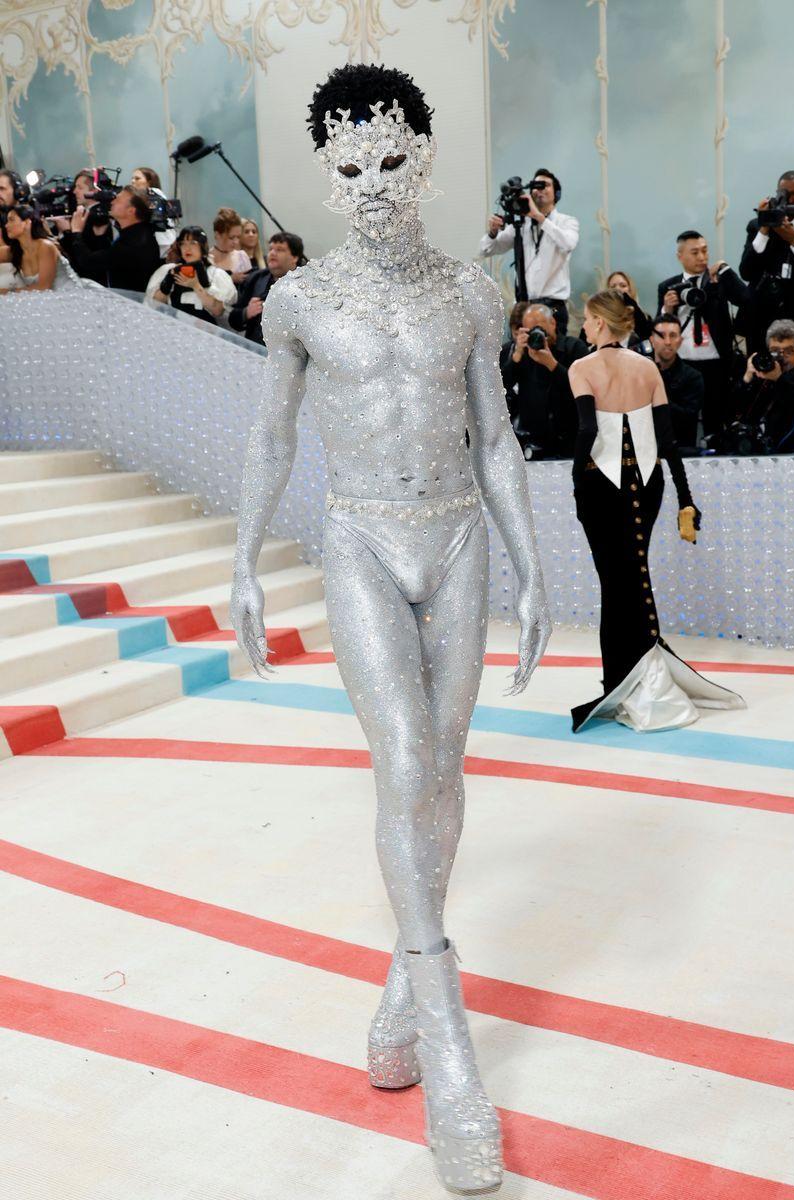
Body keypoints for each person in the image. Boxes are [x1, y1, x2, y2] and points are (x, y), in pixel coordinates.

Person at [230, 63, 551, 1196]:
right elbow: (272, 439)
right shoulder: (300, 300)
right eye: (349, 167)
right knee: (404, 761)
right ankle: (445, 1024)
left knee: (444, 771)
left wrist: (529, 563)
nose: (370, 182)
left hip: (457, 535)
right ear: (327, 173)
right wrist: (243, 563)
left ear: (423, 157)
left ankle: (398, 991)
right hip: (359, 538)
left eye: (390, 161)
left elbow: (497, 438)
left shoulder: (471, 293)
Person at [569, 289, 744, 733]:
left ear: (601, 324)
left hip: (601, 485)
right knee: (636, 573)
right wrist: (686, 498)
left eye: (588, 320)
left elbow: (588, 428)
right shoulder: (647, 367)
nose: (584, 327)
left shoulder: (582, 367)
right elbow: (668, 440)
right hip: (648, 483)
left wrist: (576, 484)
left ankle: (621, 682)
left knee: (615, 582)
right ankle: (636, 674)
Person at [656, 230, 749, 438]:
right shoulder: (668, 287)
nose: (702, 257)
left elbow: (746, 299)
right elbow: (657, 328)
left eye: (705, 251)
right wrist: (667, 310)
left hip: (717, 363)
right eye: (695, 252)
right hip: (683, 364)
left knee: (715, 422)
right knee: (682, 422)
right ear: (680, 256)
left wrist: (725, 272)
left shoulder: (718, 280)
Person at [477, 167, 578, 336]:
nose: (539, 190)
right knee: (520, 359)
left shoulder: (566, 222)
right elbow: (486, 249)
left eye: (544, 185)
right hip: (524, 305)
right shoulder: (522, 225)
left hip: (553, 306)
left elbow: (568, 243)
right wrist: (493, 232)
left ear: (556, 193)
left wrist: (539, 217)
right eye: (535, 187)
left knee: (552, 356)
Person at [501, 300, 589, 457]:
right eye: (531, 329)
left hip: (569, 441)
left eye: (539, 327)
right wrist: (516, 356)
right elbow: (502, 386)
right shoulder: (521, 353)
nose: (536, 333)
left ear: (553, 323)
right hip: (532, 442)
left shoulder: (574, 348)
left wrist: (553, 365)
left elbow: (583, 390)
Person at [739, 170, 794, 354]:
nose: (792, 199)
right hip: (761, 317)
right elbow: (746, 272)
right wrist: (764, 228)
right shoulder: (757, 226)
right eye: (786, 194)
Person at [64, 185, 161, 292]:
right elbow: (110, 260)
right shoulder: (138, 233)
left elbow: (88, 262)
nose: (112, 202)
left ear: (131, 211)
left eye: (118, 200)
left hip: (131, 303)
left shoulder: (134, 242)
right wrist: (100, 237)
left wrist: (76, 231)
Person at [731, 319, 794, 454]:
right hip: (756, 446)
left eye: (788, 351)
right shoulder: (763, 372)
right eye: (775, 351)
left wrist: (779, 379)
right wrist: (747, 378)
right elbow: (734, 409)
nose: (781, 357)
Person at [145, 225, 236, 325]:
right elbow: (153, 304)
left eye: (193, 243)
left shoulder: (216, 275)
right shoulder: (168, 270)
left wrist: (196, 286)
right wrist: (167, 282)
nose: (187, 248)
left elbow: (218, 311)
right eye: (183, 244)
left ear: (203, 246)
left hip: (205, 334)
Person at [228, 231, 304, 344]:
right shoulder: (256, 278)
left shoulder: (307, 284)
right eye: (270, 249)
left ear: (295, 257)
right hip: (256, 350)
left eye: (279, 249)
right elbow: (233, 319)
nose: (272, 253)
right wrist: (246, 312)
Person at [643, 313, 703, 450]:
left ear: (680, 340)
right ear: (652, 340)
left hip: (680, 451)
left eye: (673, 335)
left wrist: (655, 395)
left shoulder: (693, 377)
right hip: (643, 450)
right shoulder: (638, 373)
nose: (668, 342)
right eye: (662, 335)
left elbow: (687, 419)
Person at [0, 203, 82, 292]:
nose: (6, 225)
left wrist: (5, 292)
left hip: (70, 296)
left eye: (11, 220)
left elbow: (44, 287)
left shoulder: (46, 246)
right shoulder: (13, 250)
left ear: (27, 222)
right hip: (38, 300)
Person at [54, 169, 114, 286]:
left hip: (93, 282)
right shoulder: (86, 213)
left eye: (80, 188)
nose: (75, 191)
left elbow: (82, 257)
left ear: (94, 191)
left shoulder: (97, 217)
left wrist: (67, 232)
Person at [130, 165, 176, 259]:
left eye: (137, 178)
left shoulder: (154, 192)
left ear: (149, 182)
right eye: (132, 178)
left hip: (160, 246)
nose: (133, 181)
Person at [606, 270, 652, 343]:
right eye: (613, 286)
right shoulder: (601, 318)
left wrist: (633, 305)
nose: (618, 289)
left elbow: (646, 337)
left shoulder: (644, 317)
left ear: (630, 289)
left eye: (623, 286)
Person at [210, 207, 251, 284]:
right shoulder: (207, 259)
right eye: (231, 238)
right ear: (217, 235)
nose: (236, 242)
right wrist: (230, 279)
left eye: (238, 237)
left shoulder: (242, 257)